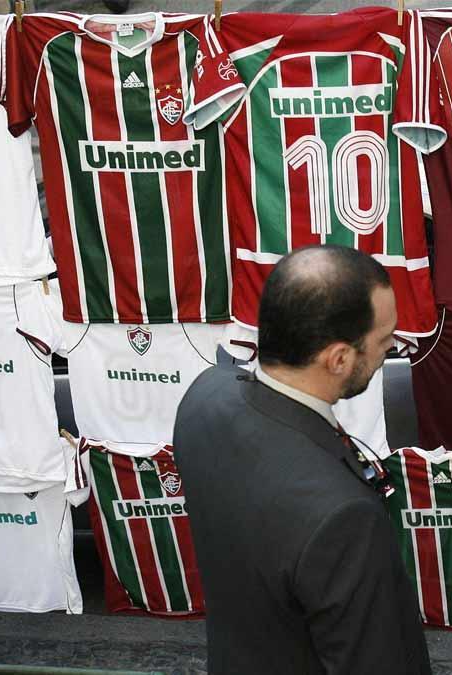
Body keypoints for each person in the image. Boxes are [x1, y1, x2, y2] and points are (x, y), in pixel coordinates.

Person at [173, 246, 431, 675]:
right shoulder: (345, 518)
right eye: (385, 341)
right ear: (339, 359)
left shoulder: (203, 397)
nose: (391, 348)